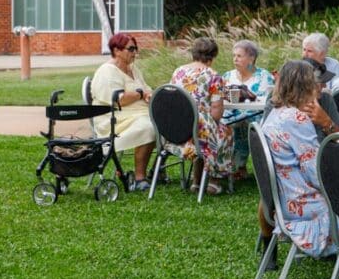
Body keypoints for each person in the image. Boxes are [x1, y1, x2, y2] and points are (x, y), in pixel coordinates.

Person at [259, 60, 339, 258]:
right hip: (306, 205)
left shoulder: (276, 113)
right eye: (315, 83)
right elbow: (316, 172)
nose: (320, 87)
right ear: (304, 85)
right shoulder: (297, 118)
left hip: (284, 200)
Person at [90, 33, 156, 191]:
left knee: (164, 119)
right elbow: (118, 99)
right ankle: (140, 177)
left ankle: (157, 170)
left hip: (135, 114)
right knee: (149, 127)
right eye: (131, 49)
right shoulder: (108, 71)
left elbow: (147, 89)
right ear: (116, 50)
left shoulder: (133, 69)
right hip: (114, 121)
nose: (135, 53)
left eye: (136, 49)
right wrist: (140, 94)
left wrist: (148, 94)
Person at [170, 37, 233, 195]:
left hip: (175, 130)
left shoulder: (179, 72)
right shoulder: (213, 76)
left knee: (204, 133)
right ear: (212, 57)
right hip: (198, 133)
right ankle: (214, 181)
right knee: (225, 131)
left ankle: (197, 181)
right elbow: (216, 112)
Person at [222, 39, 276, 178]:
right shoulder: (228, 76)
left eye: (239, 56)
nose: (235, 59)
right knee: (229, 124)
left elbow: (265, 102)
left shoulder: (263, 76)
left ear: (251, 58)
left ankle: (239, 166)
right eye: (234, 56)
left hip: (255, 115)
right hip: (231, 115)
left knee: (246, 123)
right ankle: (231, 167)